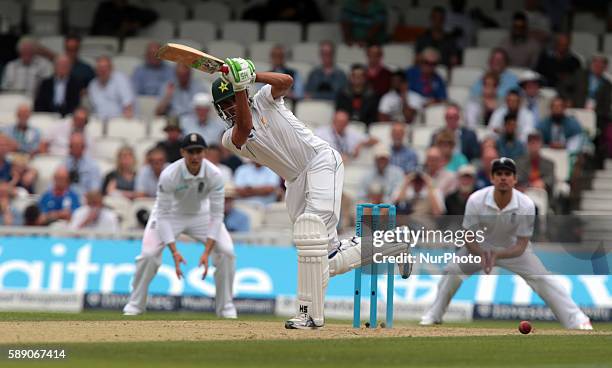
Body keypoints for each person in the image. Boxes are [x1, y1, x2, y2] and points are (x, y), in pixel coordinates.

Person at [212, 58, 409, 328]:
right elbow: (245, 129)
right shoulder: (229, 138)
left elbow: (287, 82)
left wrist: (252, 75)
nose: (228, 108)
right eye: (223, 105)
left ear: (242, 93)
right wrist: (237, 87)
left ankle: (310, 315)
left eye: (231, 101)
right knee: (323, 257)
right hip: (294, 181)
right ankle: (390, 244)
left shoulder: (265, 99)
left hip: (320, 161)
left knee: (311, 235)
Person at [420, 157, 592, 330]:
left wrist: (497, 255)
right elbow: (468, 237)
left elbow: (522, 244)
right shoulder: (476, 200)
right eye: (499, 174)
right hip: (479, 248)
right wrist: (483, 254)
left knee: (543, 278)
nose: (503, 177)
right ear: (492, 178)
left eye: (508, 174)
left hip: (513, 250)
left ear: (515, 179)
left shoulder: (526, 205)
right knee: (452, 271)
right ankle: (434, 315)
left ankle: (577, 320)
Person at [123, 132, 237, 318]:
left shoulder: (214, 174)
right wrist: (174, 252)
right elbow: (163, 215)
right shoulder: (169, 174)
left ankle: (226, 308)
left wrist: (207, 252)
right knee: (148, 255)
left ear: (205, 152)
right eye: (190, 152)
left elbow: (217, 216)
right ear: (182, 152)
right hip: (170, 215)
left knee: (227, 252)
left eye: (198, 151)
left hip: (202, 214)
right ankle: (135, 305)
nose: (194, 156)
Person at [559, 54, 612, 125]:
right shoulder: (580, 75)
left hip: (595, 115)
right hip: (576, 108)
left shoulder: (607, 84)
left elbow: (607, 105)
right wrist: (568, 99)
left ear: (605, 67)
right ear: (591, 64)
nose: (598, 66)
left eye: (601, 64)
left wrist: (596, 112)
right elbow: (562, 86)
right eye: (596, 63)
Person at [87, 56, 135, 120]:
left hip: (120, 120)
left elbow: (128, 107)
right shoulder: (92, 85)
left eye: (105, 67)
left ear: (112, 68)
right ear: (96, 70)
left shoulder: (121, 79)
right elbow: (95, 109)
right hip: (99, 121)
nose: (103, 70)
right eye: (100, 68)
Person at [516, 131, 555, 200]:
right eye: (532, 143)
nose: (534, 146)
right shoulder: (519, 162)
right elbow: (518, 178)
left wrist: (543, 182)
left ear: (541, 144)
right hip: (525, 193)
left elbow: (551, 178)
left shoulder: (549, 163)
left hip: (543, 194)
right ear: (527, 145)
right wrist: (531, 185)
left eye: (537, 143)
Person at [91, 0, 158, 37]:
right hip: (105, 39)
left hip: (127, 41)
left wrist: (136, 24)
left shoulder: (130, 10)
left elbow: (153, 15)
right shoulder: (104, 8)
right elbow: (98, 27)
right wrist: (120, 28)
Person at [65, 132, 101, 196]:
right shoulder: (65, 163)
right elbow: (53, 185)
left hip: (85, 199)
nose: (72, 148)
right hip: (66, 198)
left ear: (83, 147)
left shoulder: (93, 166)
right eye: (71, 146)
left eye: (76, 146)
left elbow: (95, 190)